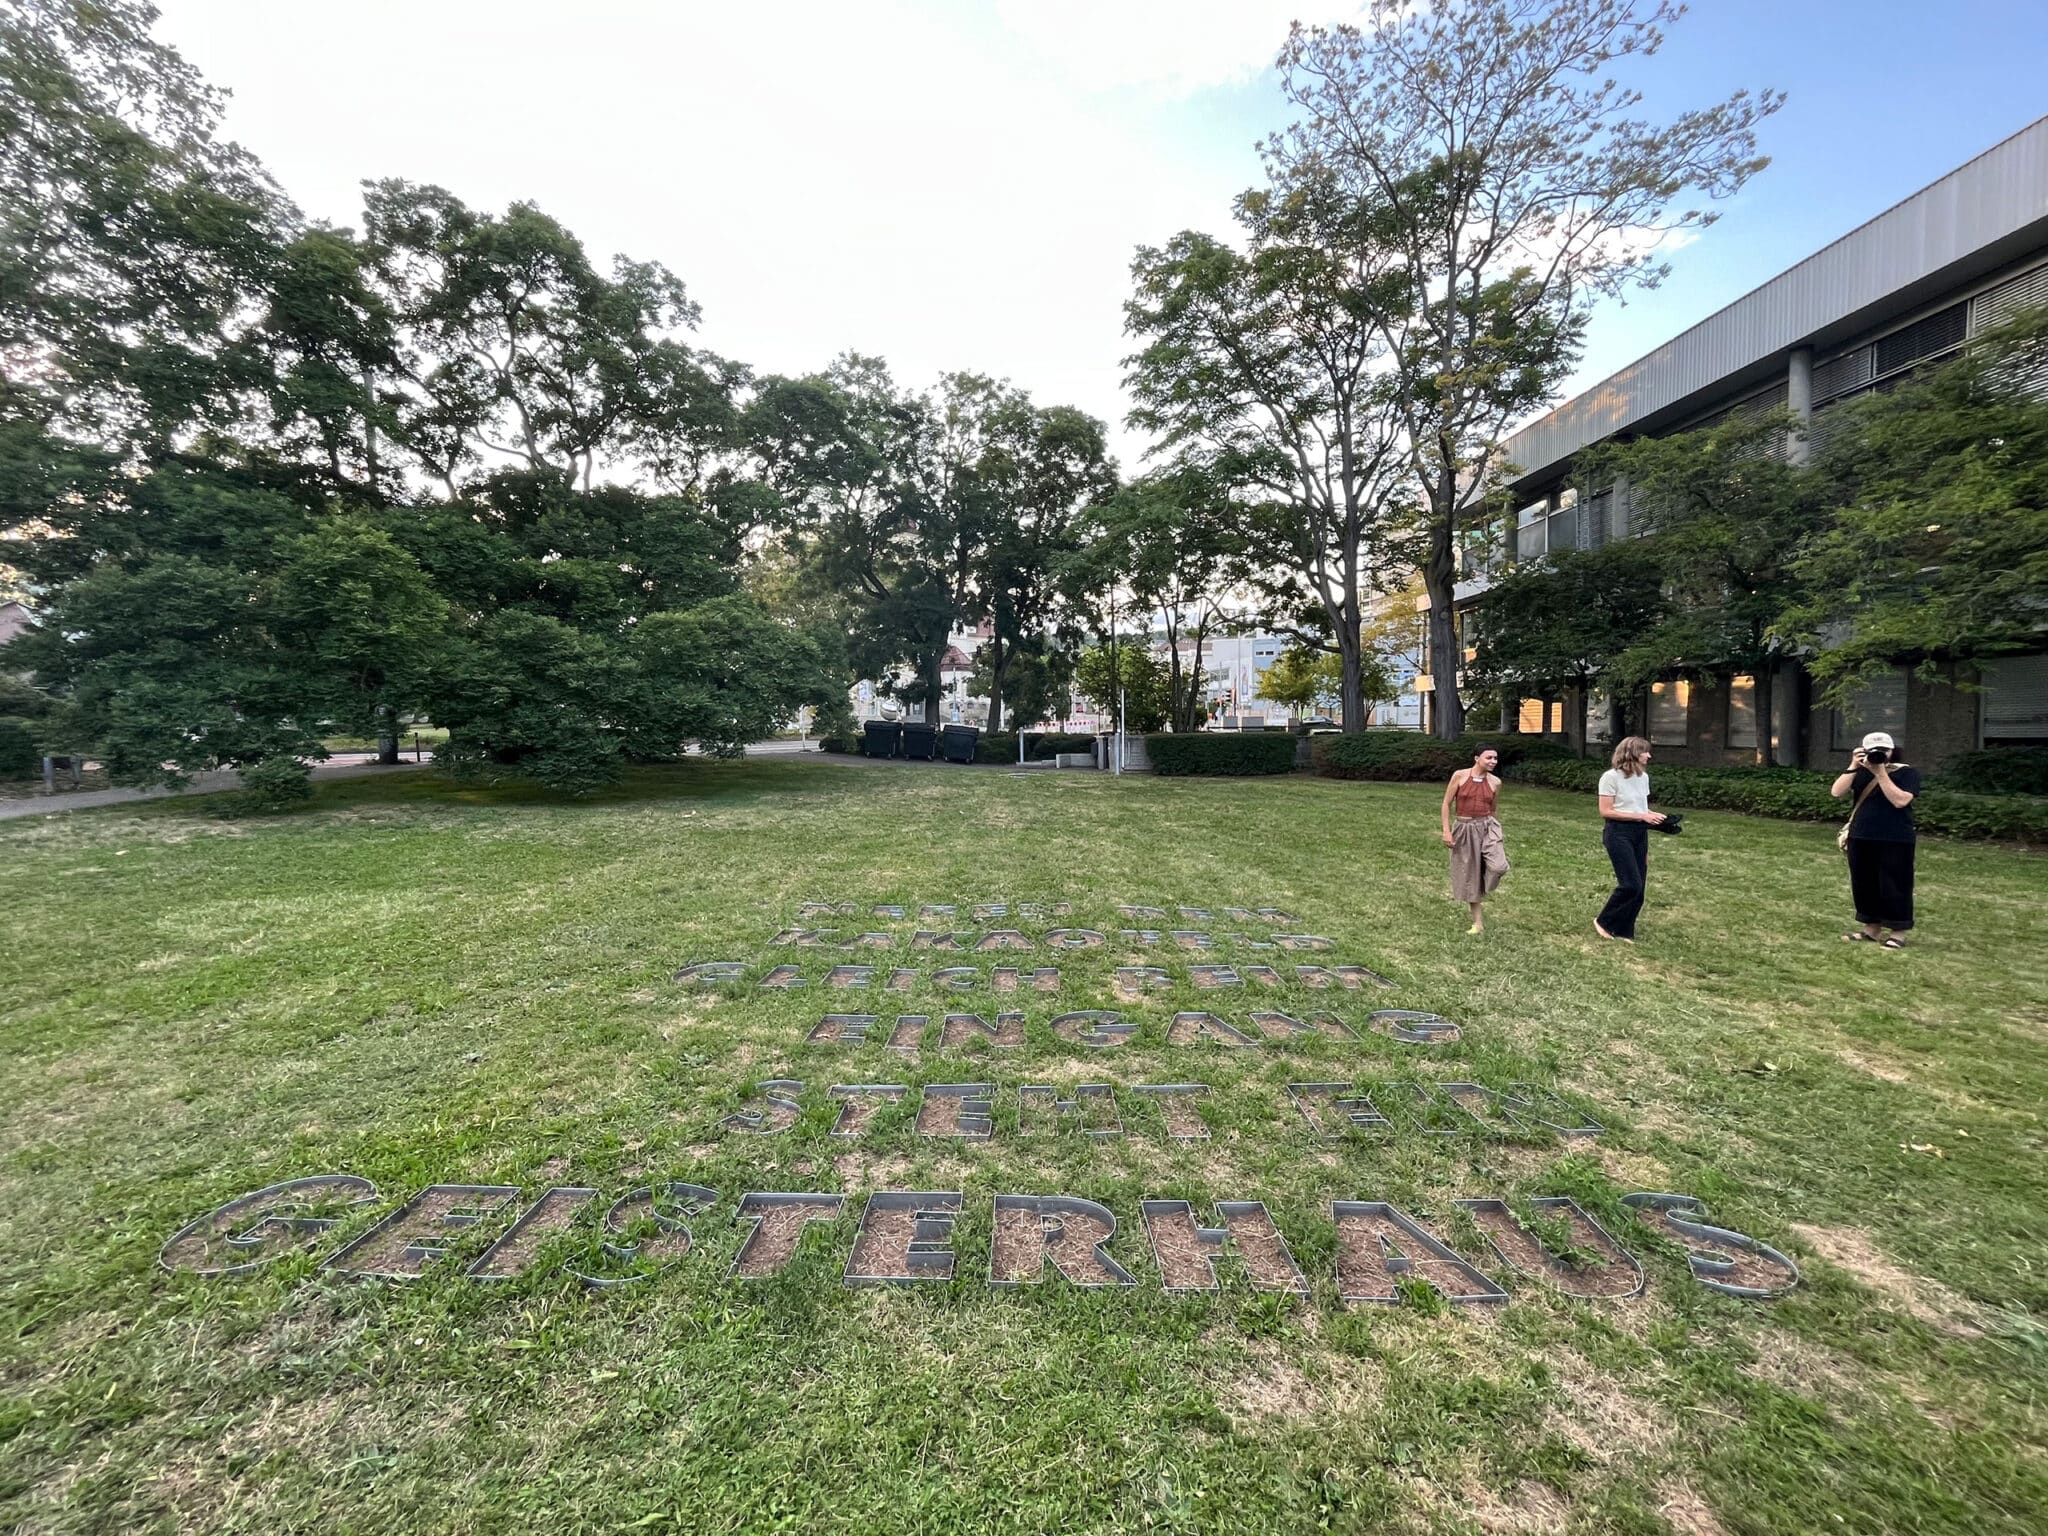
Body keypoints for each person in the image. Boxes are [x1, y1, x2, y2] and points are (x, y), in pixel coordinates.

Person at [1832, 730, 1921, 948]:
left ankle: (1898, 932)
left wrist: (1881, 772)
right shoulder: (1861, 771)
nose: (1879, 755)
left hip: (1896, 838)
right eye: (1874, 751)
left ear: (1893, 751)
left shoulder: (1906, 773)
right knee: (1864, 883)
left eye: (1884, 751)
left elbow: (1900, 801)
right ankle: (1871, 929)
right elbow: (1836, 792)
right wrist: (1853, 765)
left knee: (1895, 884)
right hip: (1861, 835)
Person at [1595, 736, 1666, 942]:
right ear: (1632, 753)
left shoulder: (1643, 777)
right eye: (1645, 751)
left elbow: (1639, 807)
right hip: (1618, 833)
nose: (1649, 755)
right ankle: (1604, 921)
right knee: (1630, 885)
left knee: (1640, 888)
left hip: (1639, 833)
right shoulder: (1610, 777)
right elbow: (1606, 811)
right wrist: (1642, 816)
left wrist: (1655, 817)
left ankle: (1625, 929)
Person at [1440, 745, 1508, 934]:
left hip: (1487, 827)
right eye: (1489, 758)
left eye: (1495, 758)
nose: (1493, 761)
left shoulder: (1496, 782)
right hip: (1464, 828)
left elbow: (1493, 809)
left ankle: (1484, 885)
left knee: (1499, 866)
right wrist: (1446, 831)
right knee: (1471, 876)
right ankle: (1478, 924)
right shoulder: (1460, 776)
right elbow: (1446, 803)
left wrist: (1496, 831)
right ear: (1477, 758)